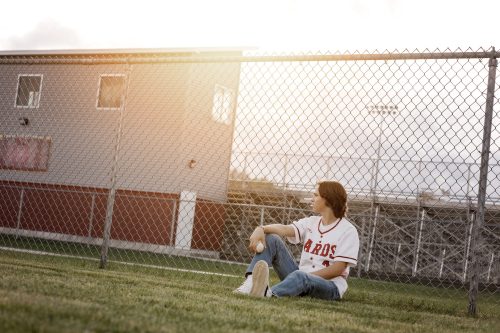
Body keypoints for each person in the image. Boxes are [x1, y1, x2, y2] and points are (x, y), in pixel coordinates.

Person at [234, 180, 360, 300]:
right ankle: (250, 283)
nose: (312, 198)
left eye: (316, 195)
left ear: (328, 199)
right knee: (271, 239)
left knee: (300, 276)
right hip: (300, 278)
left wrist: (307, 277)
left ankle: (268, 293)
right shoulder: (311, 222)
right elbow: (285, 229)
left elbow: (338, 269)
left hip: (330, 286)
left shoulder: (348, 230)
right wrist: (261, 228)